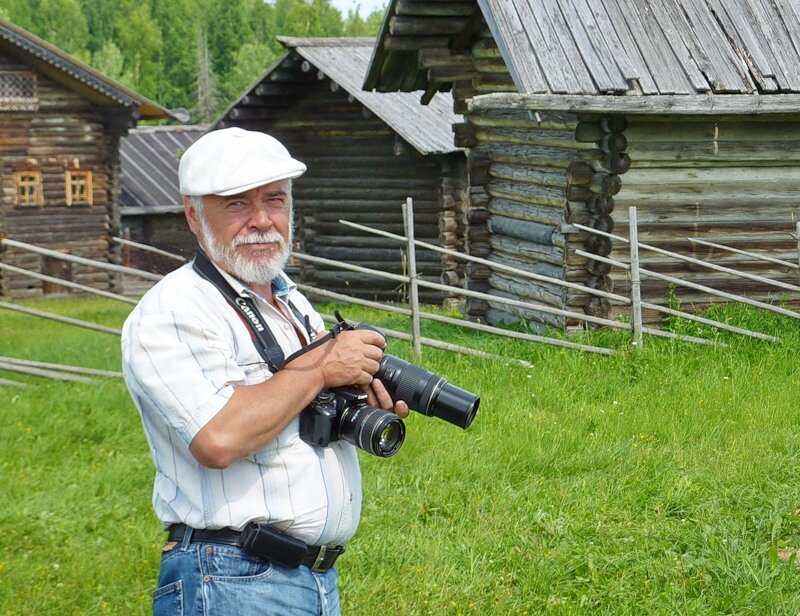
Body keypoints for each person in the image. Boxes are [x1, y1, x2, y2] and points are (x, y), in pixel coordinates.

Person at [121, 127, 408, 616]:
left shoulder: (290, 300)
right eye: (236, 205)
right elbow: (218, 437)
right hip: (231, 577)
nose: (262, 221)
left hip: (313, 579)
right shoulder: (172, 311)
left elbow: (297, 408)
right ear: (193, 214)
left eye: (275, 200)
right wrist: (320, 372)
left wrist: (360, 400)